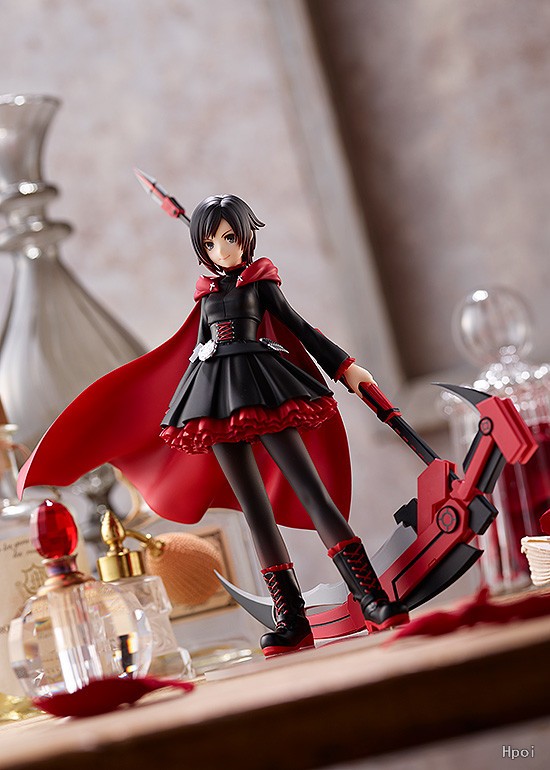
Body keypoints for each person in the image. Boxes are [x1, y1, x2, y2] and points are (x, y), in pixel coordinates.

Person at [19, 194, 409, 657]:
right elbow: (194, 350)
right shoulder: (207, 294)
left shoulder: (261, 283)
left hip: (265, 386)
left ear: (246, 236)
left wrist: (345, 367)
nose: (221, 251)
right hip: (213, 398)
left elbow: (301, 328)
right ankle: (291, 617)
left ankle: (369, 596)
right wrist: (177, 402)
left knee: (311, 491)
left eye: (229, 238)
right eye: (209, 243)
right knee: (254, 510)